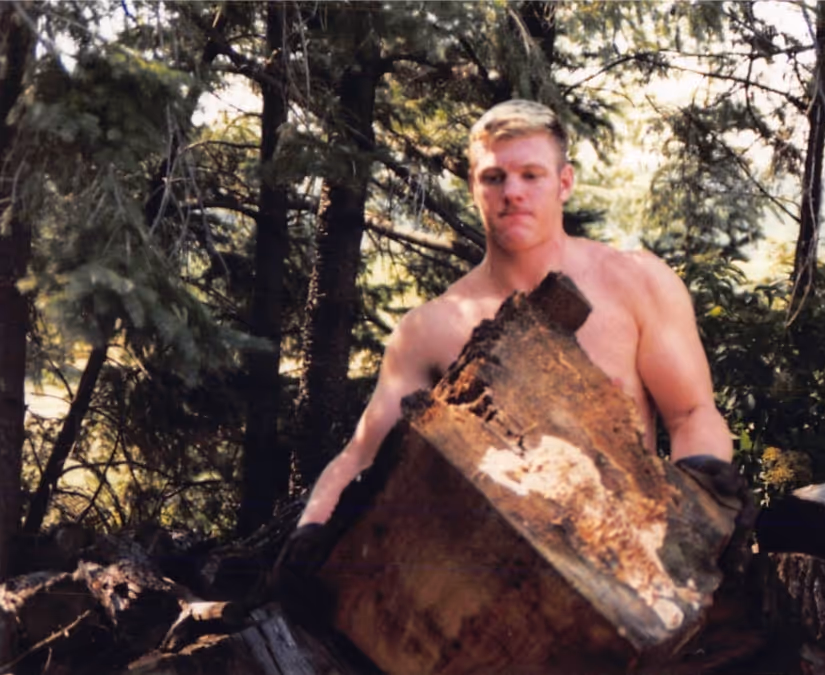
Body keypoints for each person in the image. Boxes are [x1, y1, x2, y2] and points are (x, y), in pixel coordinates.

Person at [274, 100, 749, 607]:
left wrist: (700, 497)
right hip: (487, 598)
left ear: (564, 183)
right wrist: (311, 532)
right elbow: (362, 454)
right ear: (474, 187)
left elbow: (692, 413)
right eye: (495, 177)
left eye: (531, 174)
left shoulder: (636, 283)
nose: (513, 193)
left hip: (629, 578)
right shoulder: (430, 329)